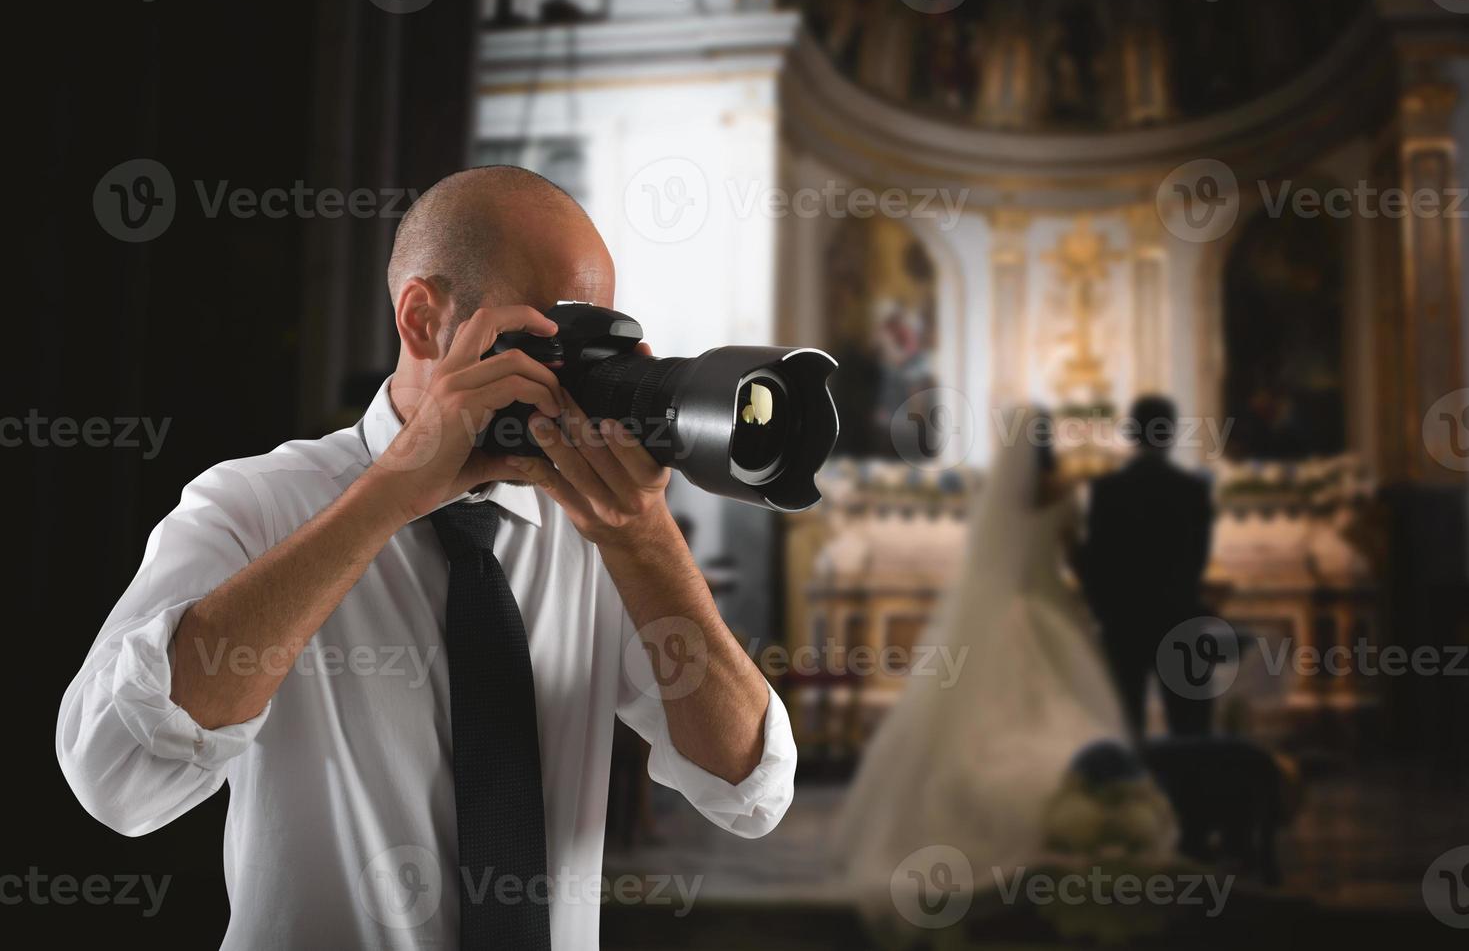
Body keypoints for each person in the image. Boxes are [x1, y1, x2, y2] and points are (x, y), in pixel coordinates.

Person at [55, 166, 796, 949]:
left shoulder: (597, 529)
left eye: (598, 346)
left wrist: (644, 538)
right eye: (552, 341)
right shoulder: (250, 505)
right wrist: (391, 493)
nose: (576, 383)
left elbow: (747, 790)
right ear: (421, 320)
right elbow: (116, 777)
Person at [836, 409, 1131, 918]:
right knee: (1059, 706)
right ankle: (1072, 807)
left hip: (994, 613)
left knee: (967, 716)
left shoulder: (995, 497)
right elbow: (1075, 556)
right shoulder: (1062, 491)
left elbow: (985, 561)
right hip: (1048, 608)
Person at [1078, 395, 1215, 738]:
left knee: (1126, 729)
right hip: (1180, 619)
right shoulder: (1193, 490)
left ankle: (1133, 792)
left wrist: (1104, 612)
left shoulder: (1106, 490)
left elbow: (1097, 563)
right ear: (1170, 433)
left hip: (1123, 624)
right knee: (1189, 730)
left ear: (1131, 434)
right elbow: (1196, 561)